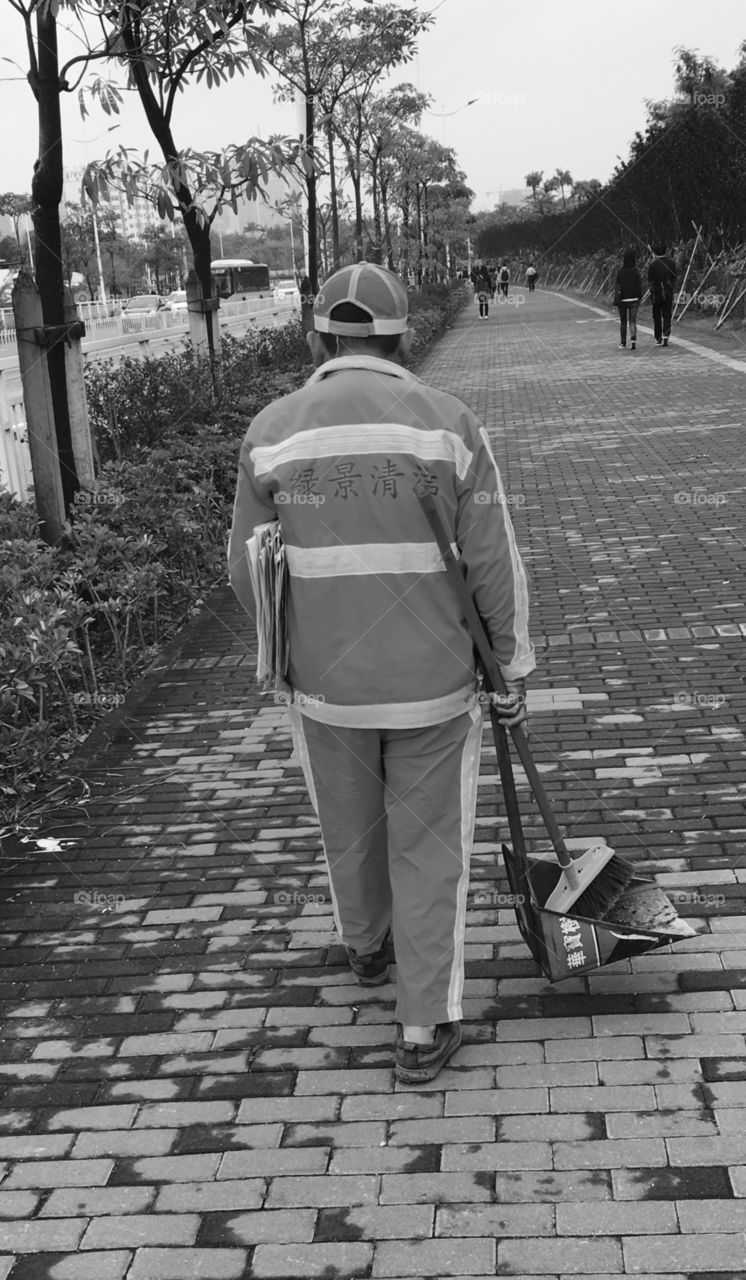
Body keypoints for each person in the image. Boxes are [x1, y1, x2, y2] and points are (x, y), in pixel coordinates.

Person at [227, 263, 535, 1084]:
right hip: (435, 683)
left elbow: (247, 570)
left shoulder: (273, 431)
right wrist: (507, 666)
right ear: (402, 336)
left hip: (326, 685)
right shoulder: (448, 425)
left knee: (350, 824)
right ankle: (423, 1025)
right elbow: (491, 562)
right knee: (429, 847)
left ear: (318, 336)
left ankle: (367, 948)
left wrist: (286, 658)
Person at [648, 243, 677, 346]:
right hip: (668, 292)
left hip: (656, 293)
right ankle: (666, 336)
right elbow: (674, 278)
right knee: (667, 315)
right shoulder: (671, 263)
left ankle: (658, 337)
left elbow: (650, 280)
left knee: (657, 316)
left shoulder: (652, 264)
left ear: (655, 252)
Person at [614, 248, 643, 350]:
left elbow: (617, 285)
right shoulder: (636, 272)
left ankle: (623, 343)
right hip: (634, 299)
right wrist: (640, 297)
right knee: (632, 321)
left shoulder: (620, 272)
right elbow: (639, 285)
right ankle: (633, 342)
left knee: (623, 321)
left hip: (622, 300)